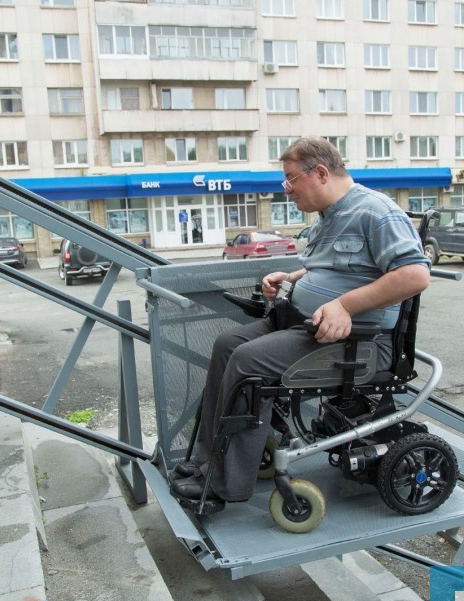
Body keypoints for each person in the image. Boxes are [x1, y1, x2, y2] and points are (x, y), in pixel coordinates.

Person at [169, 137, 431, 503]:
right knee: (227, 344)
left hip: (359, 343)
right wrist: (292, 278)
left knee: (248, 363)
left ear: (321, 173)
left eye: (291, 179)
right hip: (307, 326)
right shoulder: (327, 218)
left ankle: (224, 484)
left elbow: (414, 276)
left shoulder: (376, 212)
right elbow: (332, 270)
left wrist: (345, 306)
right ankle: (206, 461)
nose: (287, 189)